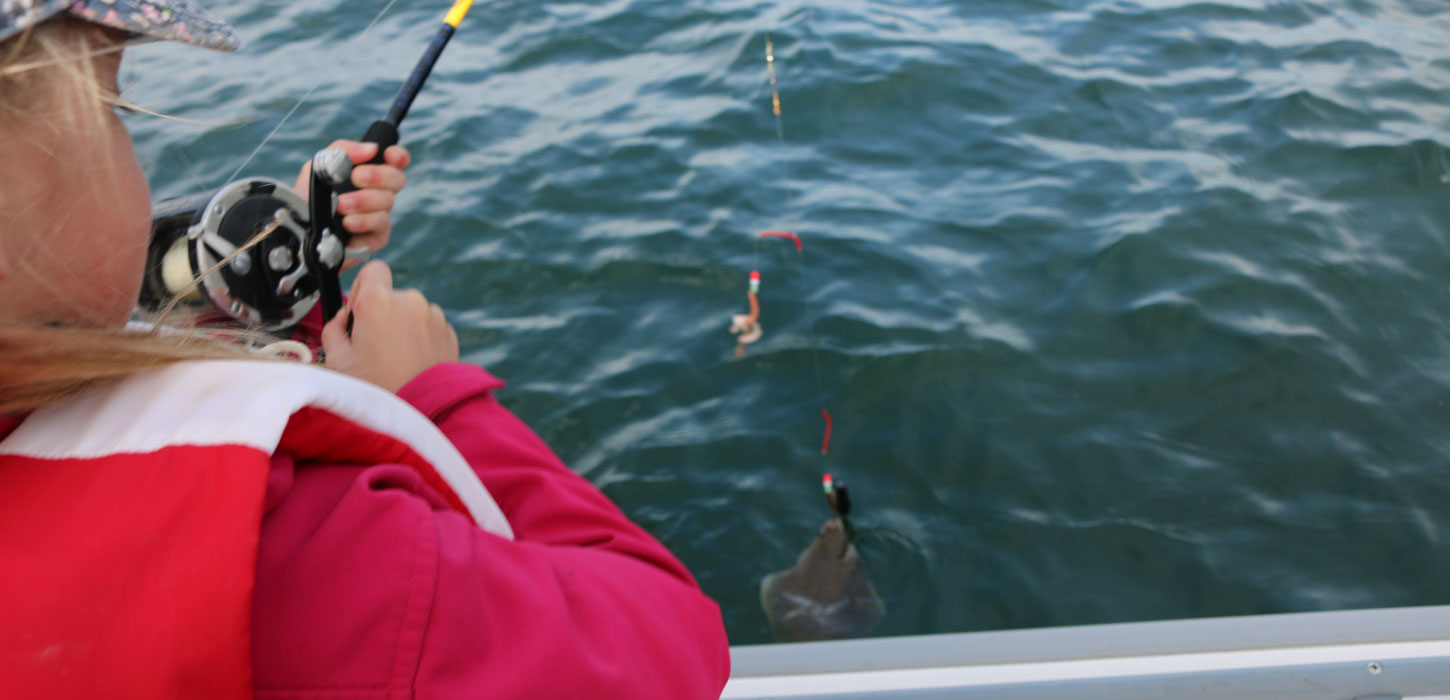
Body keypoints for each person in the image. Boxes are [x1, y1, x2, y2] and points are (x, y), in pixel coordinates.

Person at [0, 2, 731, 698]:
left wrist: (290, 283)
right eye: (115, 109)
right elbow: (667, 647)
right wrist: (437, 400)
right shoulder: (293, 556)